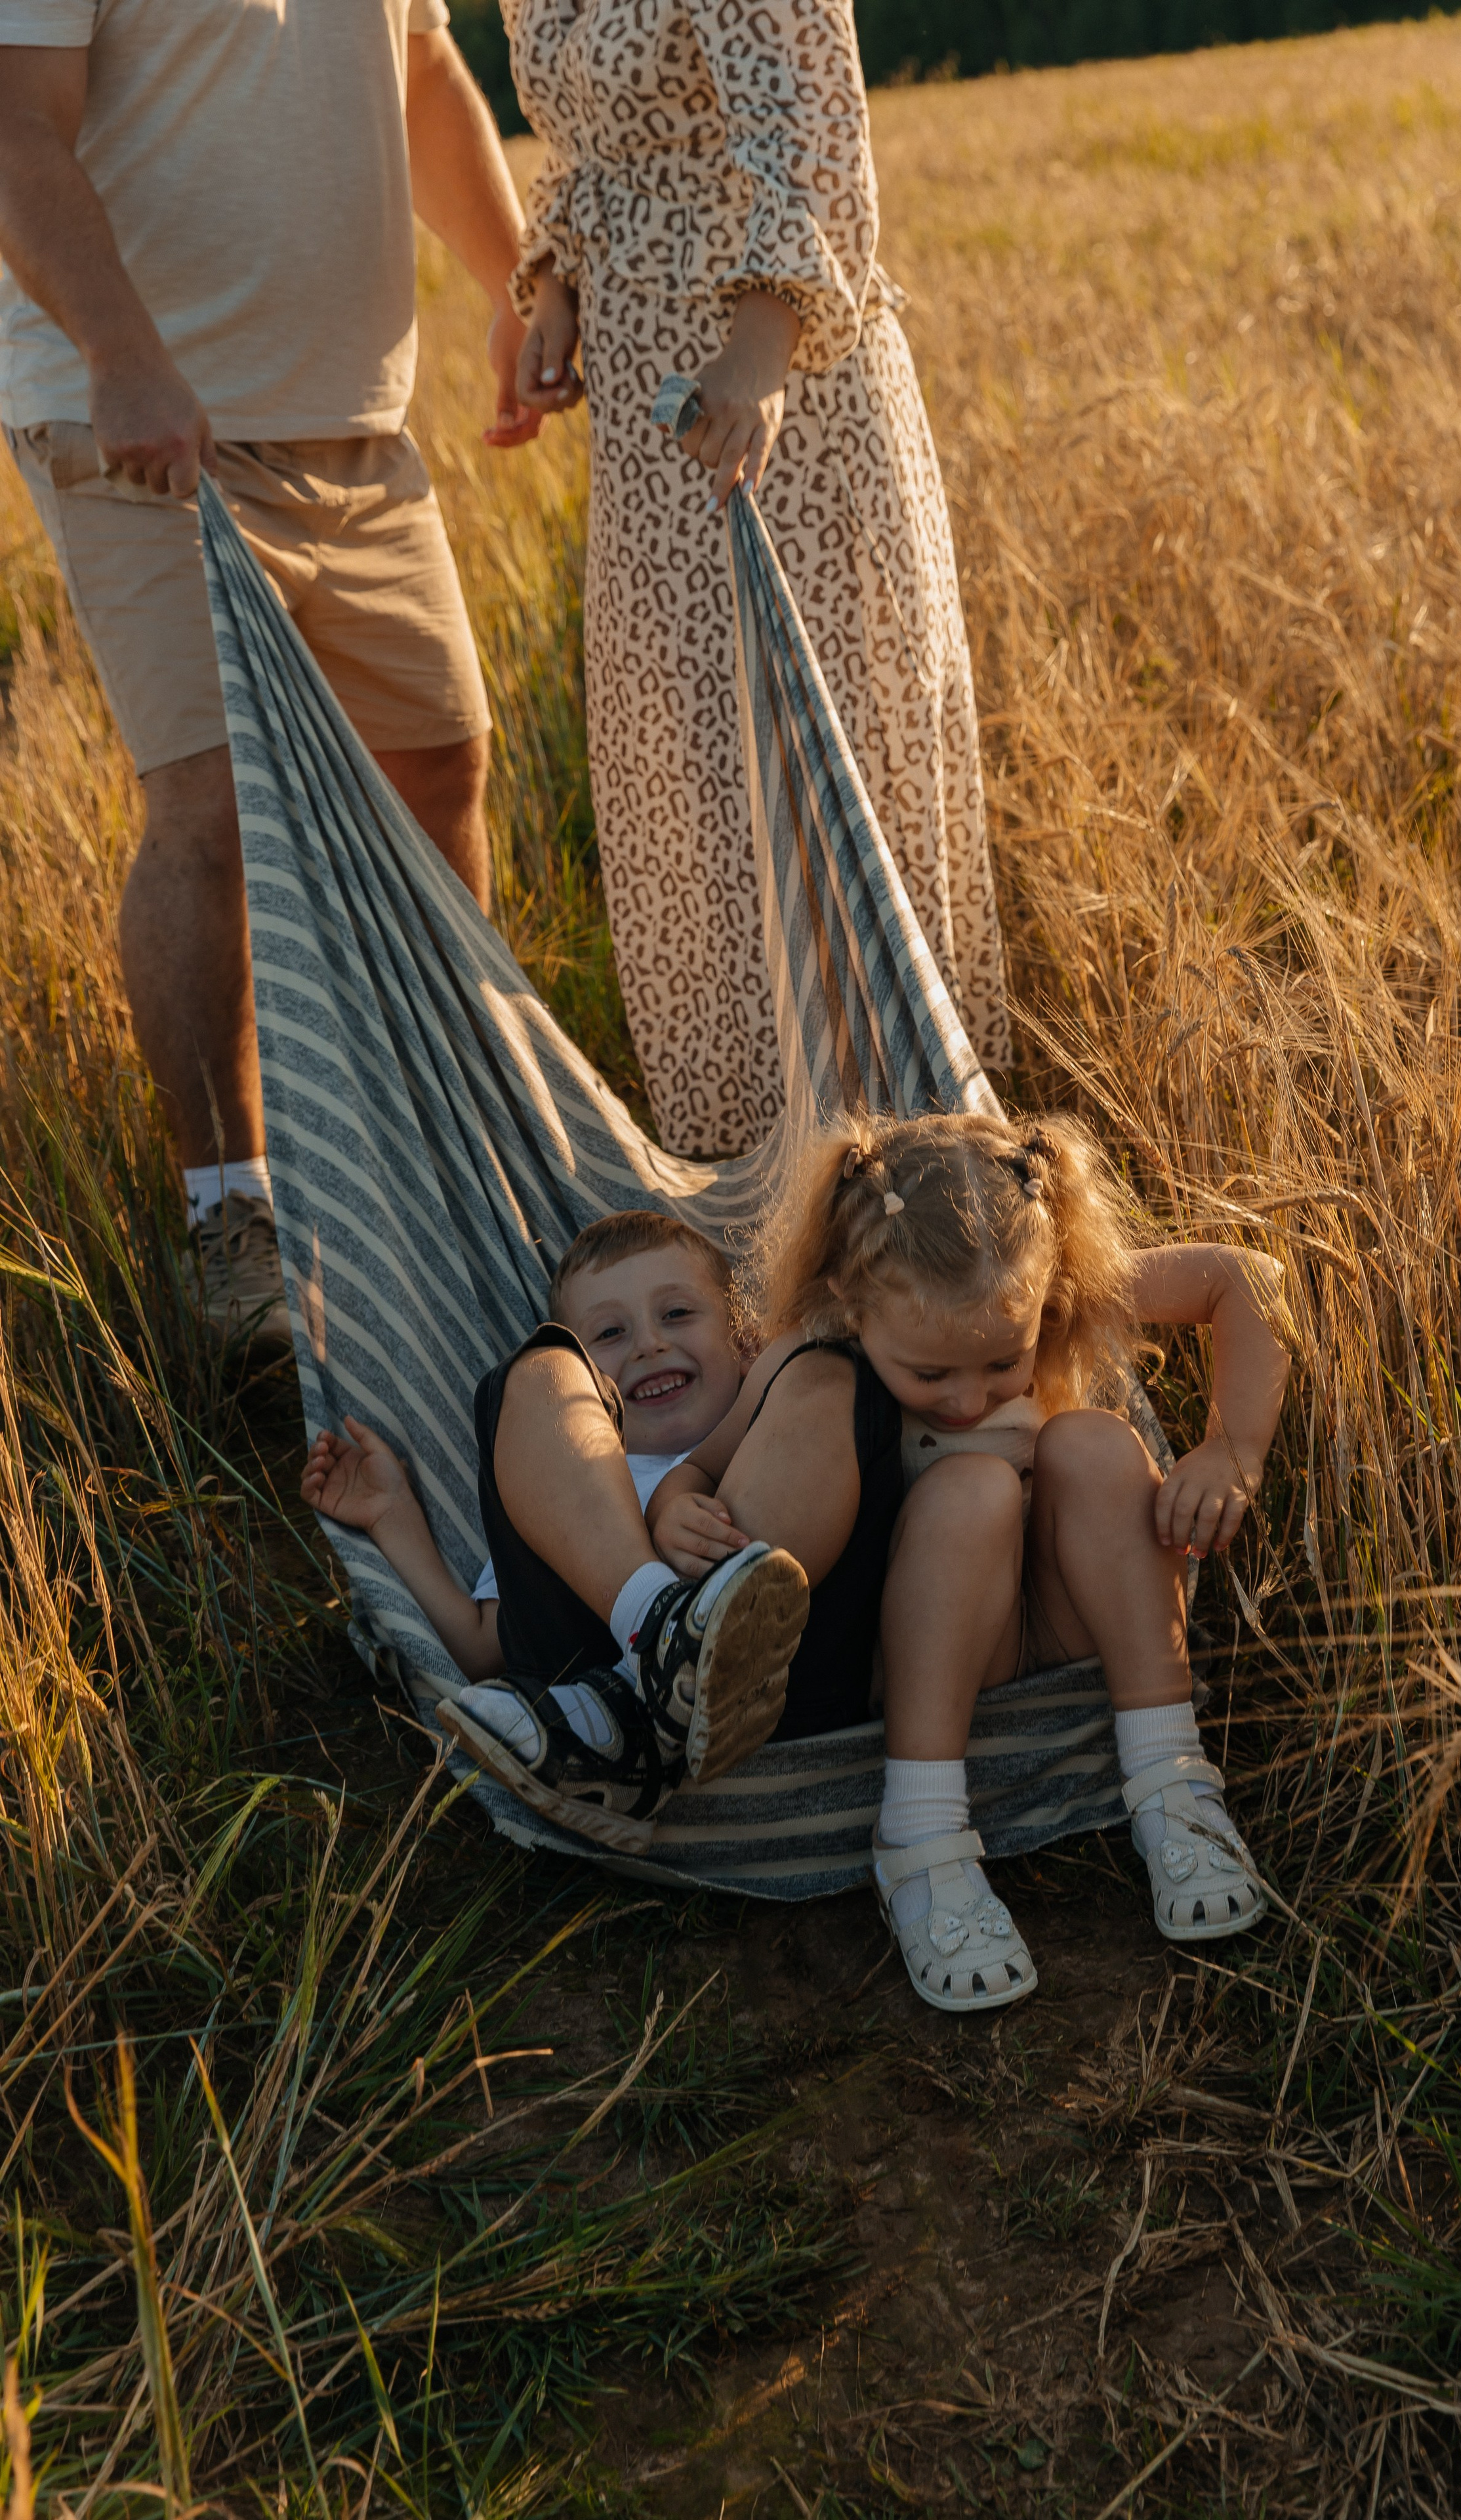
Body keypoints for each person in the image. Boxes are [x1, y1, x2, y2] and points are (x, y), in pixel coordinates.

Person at [0, 2, 545, 1347]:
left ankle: (450, 1144)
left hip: (353, 415)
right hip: (139, 420)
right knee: (213, 808)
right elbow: (13, 123)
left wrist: (510, 283)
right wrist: (124, 358)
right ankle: (231, 1220)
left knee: (439, 768)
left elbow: (416, 69)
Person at [497, 0, 1013, 1160]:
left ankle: (922, 1213)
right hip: (649, 429)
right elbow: (587, 145)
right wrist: (559, 293)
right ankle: (755, 1207)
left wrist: (762, 347)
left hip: (790, 412)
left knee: (823, 798)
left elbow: (812, 123)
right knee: (690, 800)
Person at [664, 1110, 1292, 2011]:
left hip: (1078, 1623)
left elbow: (1252, 1280)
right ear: (849, 1299)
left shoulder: (1053, 1293)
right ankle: (919, 1836)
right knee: (974, 1492)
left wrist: (1235, 1449)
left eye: (1005, 1362)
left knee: (1095, 1444)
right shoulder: (815, 1351)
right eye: (931, 1376)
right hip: (948, 1651)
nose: (968, 1398)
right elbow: (700, 1465)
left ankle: (1173, 1782)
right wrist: (677, 1507)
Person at [302, 1210, 815, 1834]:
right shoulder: (565, 1473)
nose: (649, 1345)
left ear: (745, 1343)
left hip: (768, 1671)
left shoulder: (771, 1429)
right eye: (608, 1334)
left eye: (677, 1314)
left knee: (820, 1375)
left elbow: (810, 1351)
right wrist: (393, 1516)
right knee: (538, 1367)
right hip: (583, 1672)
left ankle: (667, 1655)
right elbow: (482, 1646)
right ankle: (655, 1625)